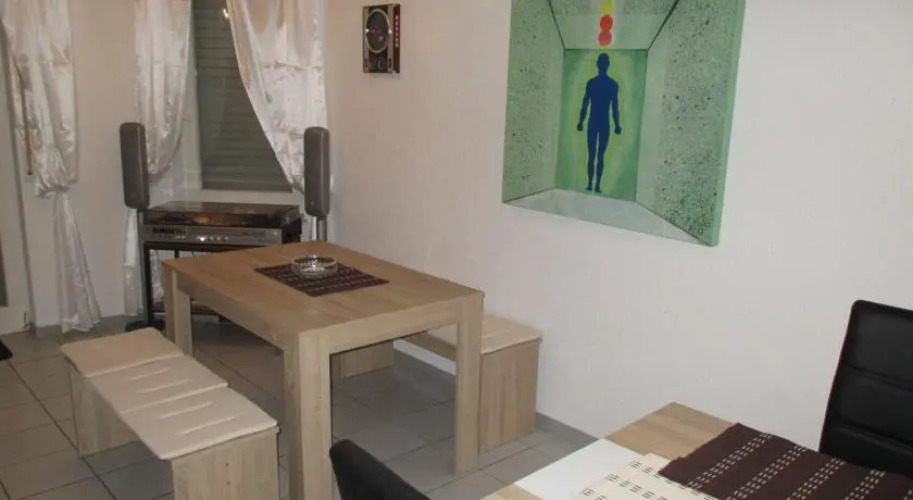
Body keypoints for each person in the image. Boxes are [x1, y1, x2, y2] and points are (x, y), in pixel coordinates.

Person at [577, 53, 622, 193]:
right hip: (600, 122)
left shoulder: (596, 83)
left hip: (596, 122)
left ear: (598, 64)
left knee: (595, 155)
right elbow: (613, 107)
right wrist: (617, 124)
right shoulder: (610, 85)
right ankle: (593, 184)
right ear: (607, 65)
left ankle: (593, 184)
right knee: (596, 155)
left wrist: (581, 121)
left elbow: (586, 104)